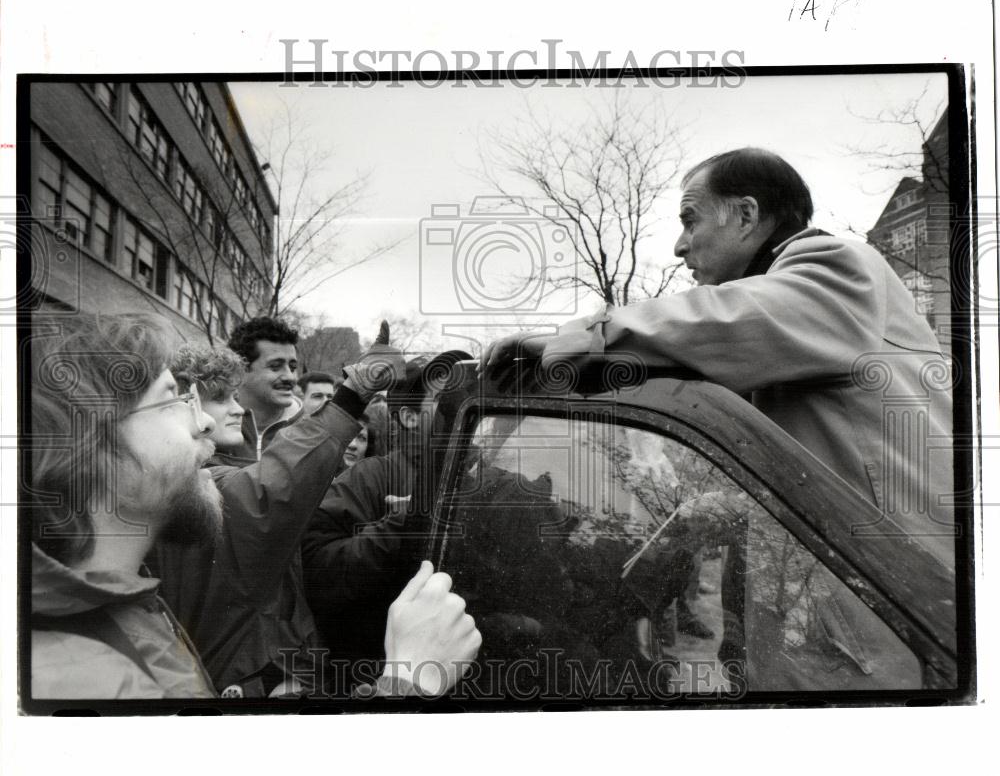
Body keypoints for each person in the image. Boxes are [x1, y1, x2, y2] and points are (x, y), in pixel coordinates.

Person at [483, 147, 954, 677]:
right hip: (853, 610)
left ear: (748, 216)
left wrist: (583, 338)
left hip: (897, 615)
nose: (681, 246)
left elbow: (725, 320)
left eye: (690, 219)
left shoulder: (836, 267)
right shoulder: (785, 335)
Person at [28, 313, 481, 700]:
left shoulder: (126, 616)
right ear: (95, 445)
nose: (204, 419)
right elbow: (262, 499)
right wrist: (407, 681)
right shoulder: (83, 676)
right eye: (173, 400)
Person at [148, 338, 385, 696]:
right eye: (221, 398)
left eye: (236, 397)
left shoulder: (215, 469)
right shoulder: (199, 484)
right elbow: (268, 491)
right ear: (184, 407)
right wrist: (350, 399)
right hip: (242, 675)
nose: (237, 409)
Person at [302, 351, 473, 688]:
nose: (461, 407)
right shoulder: (370, 478)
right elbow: (318, 569)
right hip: (380, 679)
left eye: (466, 396)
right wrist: (404, 522)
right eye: (447, 399)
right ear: (409, 416)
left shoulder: (491, 481)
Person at [227, 316, 302, 458]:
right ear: (241, 368)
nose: (289, 377)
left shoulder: (310, 432)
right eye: (275, 367)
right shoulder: (207, 429)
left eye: (292, 368)